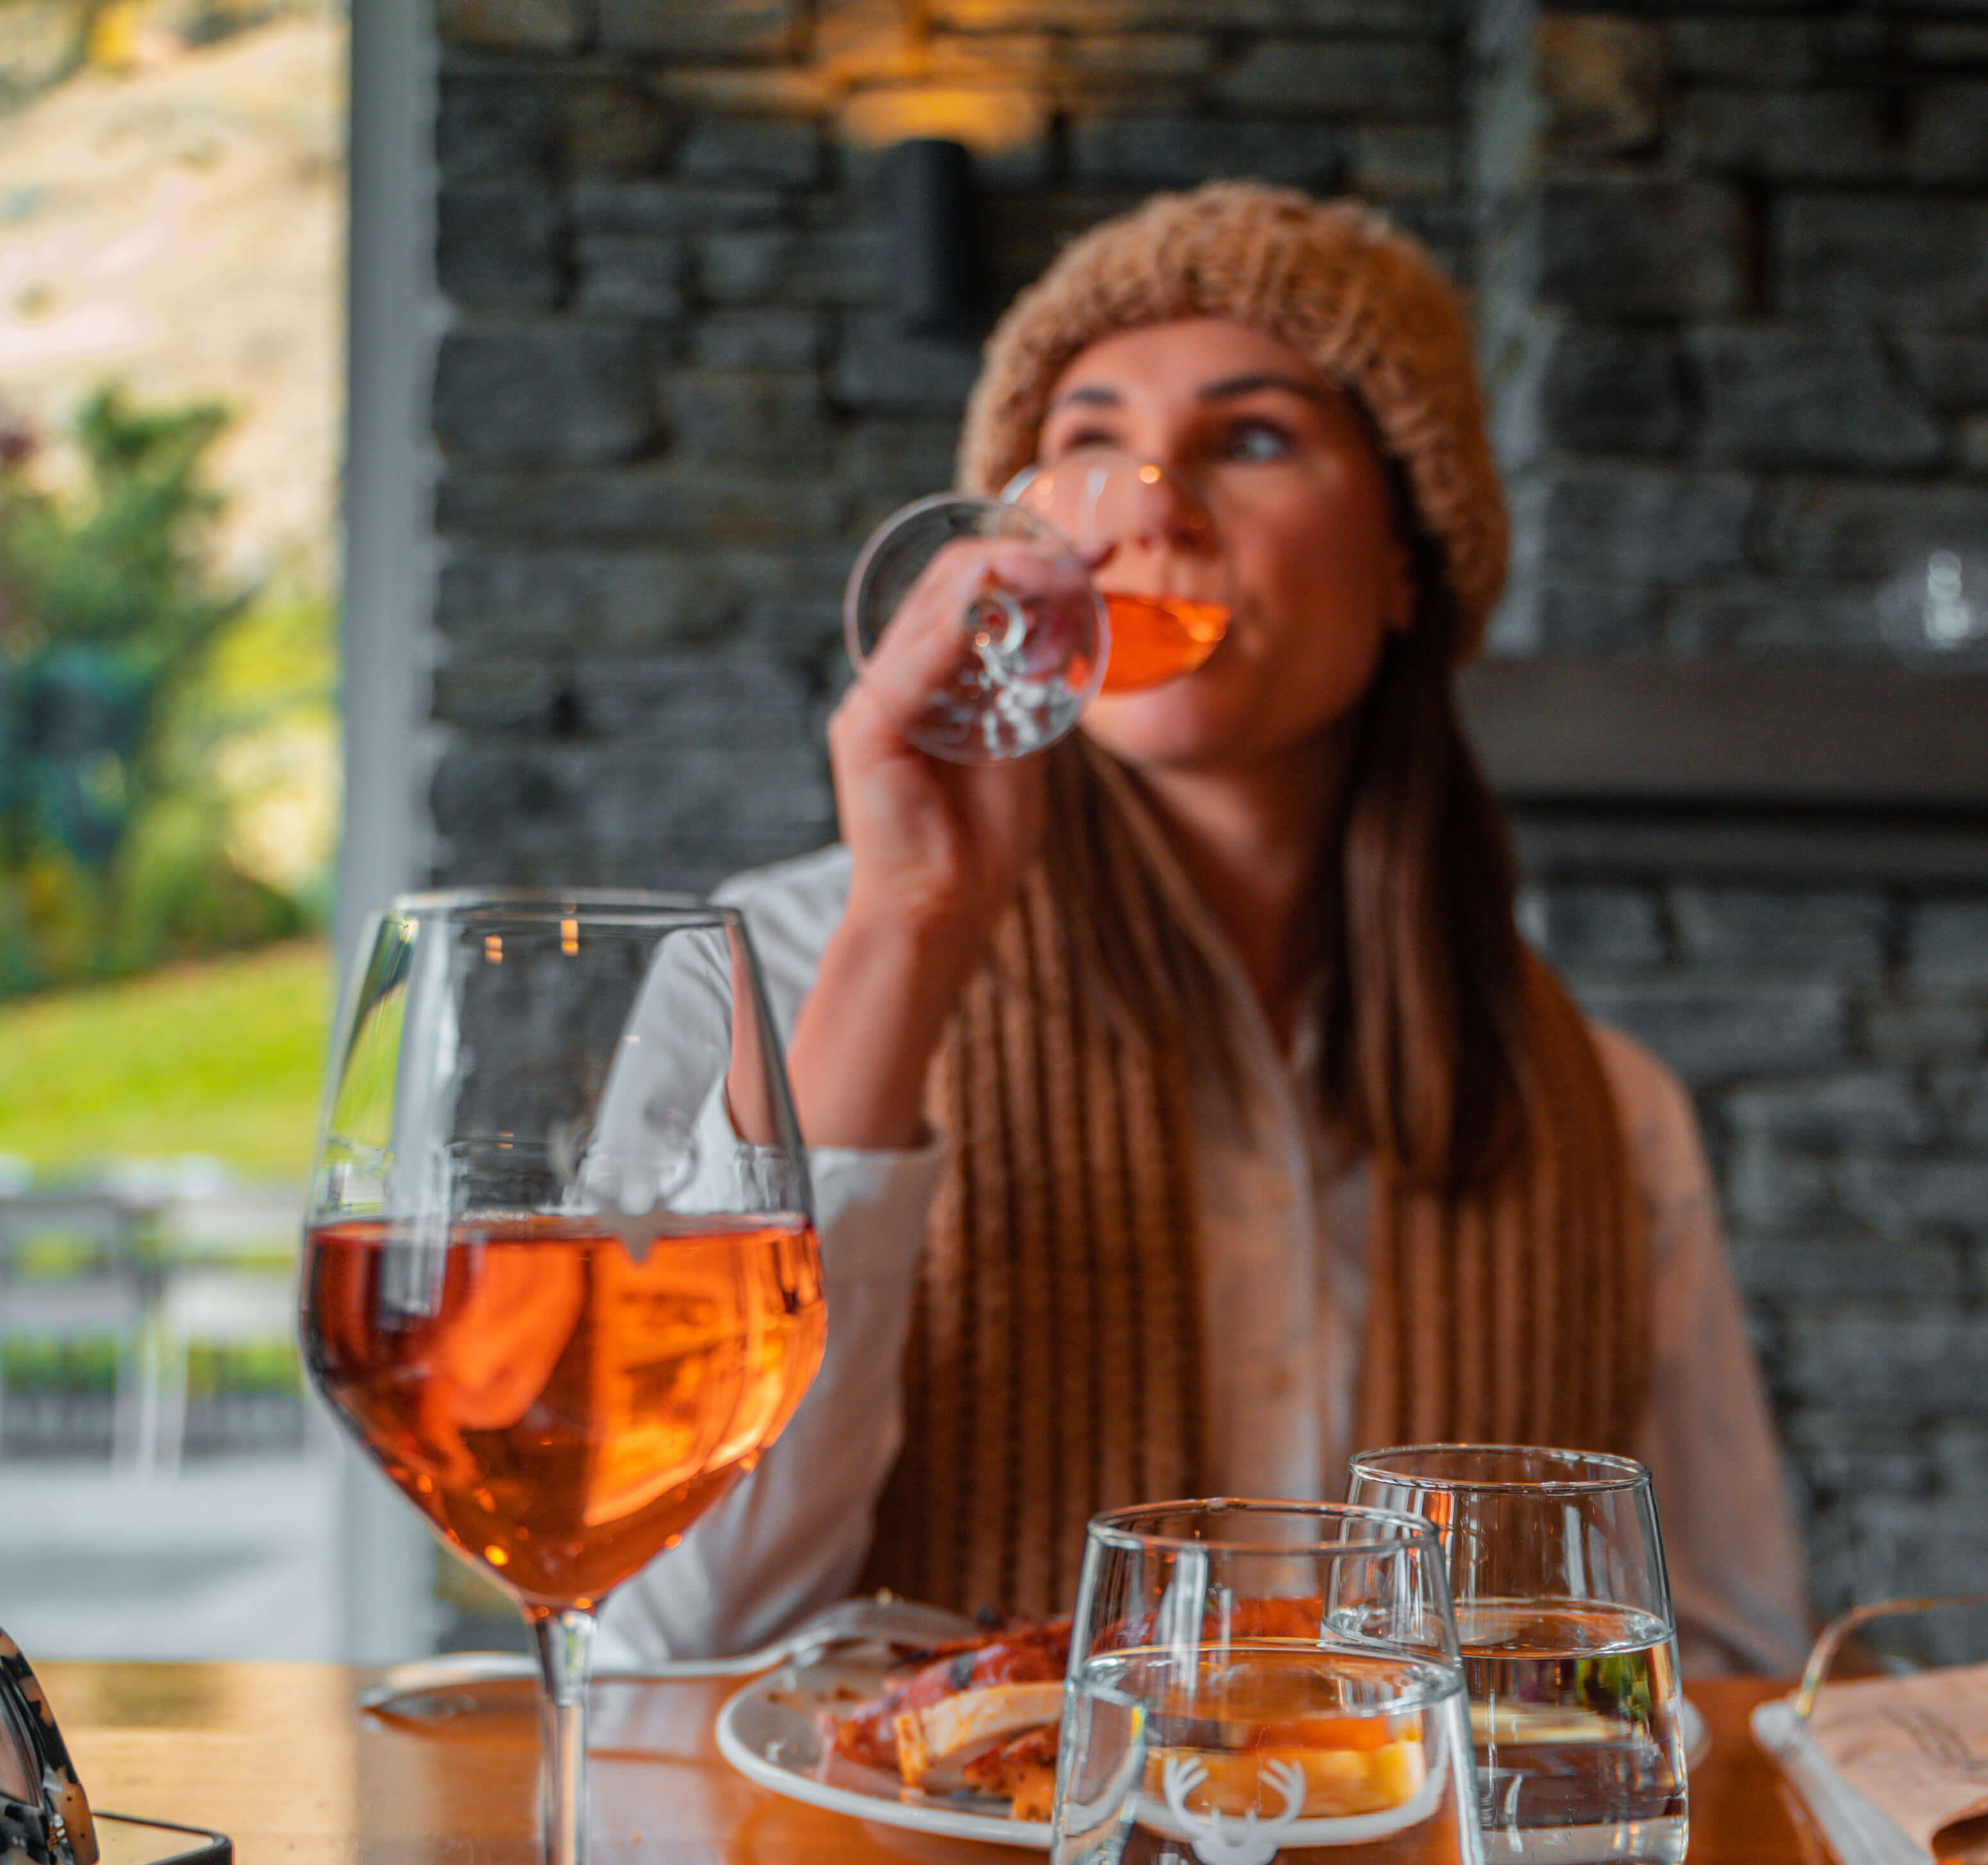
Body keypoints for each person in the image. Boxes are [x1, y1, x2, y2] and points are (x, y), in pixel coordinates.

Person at [603, 181, 1808, 1677]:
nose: (1150, 503)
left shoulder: (1606, 1116)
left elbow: (1720, 1662)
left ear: (1402, 567)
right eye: (1087, 446)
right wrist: (908, 932)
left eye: (1251, 439)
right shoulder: (770, 975)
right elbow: (675, 1636)